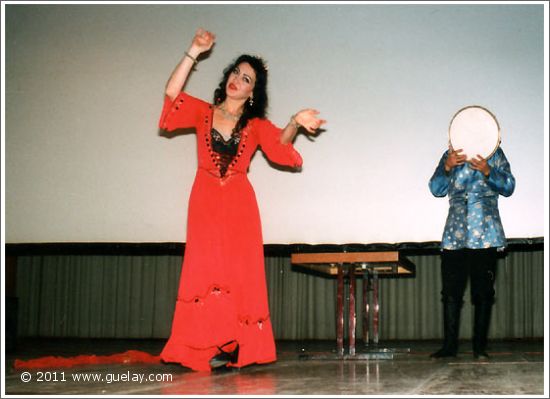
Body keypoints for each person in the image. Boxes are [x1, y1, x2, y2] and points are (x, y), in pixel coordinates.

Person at [158, 28, 326, 372]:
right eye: (235, 72)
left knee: (238, 272)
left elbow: (281, 147)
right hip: (204, 200)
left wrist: (294, 122)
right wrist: (193, 51)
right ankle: (201, 344)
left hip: (239, 205)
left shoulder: (255, 125)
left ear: (252, 92)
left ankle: (235, 345)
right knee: (203, 270)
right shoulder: (202, 112)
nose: (238, 79)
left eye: (246, 78)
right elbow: (172, 94)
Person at [428, 144, 515, 359]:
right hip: (455, 232)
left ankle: (479, 347)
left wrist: (488, 170)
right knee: (450, 292)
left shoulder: (494, 153)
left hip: (485, 232)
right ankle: (449, 347)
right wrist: (446, 168)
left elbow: (509, 186)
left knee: (483, 292)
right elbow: (435, 189)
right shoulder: (451, 154)